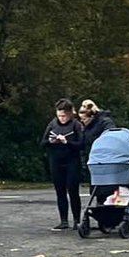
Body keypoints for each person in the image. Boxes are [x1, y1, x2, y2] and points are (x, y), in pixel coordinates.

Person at [42, 98, 84, 231]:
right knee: (60, 192)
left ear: (70, 114)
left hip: (72, 161)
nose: (62, 118)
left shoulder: (76, 125)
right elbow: (42, 143)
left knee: (73, 190)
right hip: (56, 161)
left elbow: (82, 145)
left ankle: (77, 220)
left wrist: (67, 142)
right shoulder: (53, 124)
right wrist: (51, 142)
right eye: (59, 115)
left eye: (64, 116)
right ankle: (63, 220)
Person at [78, 99, 116, 163]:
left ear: (91, 117)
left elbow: (111, 138)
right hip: (90, 158)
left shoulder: (105, 122)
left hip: (103, 157)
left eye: (84, 119)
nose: (82, 121)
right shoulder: (85, 126)